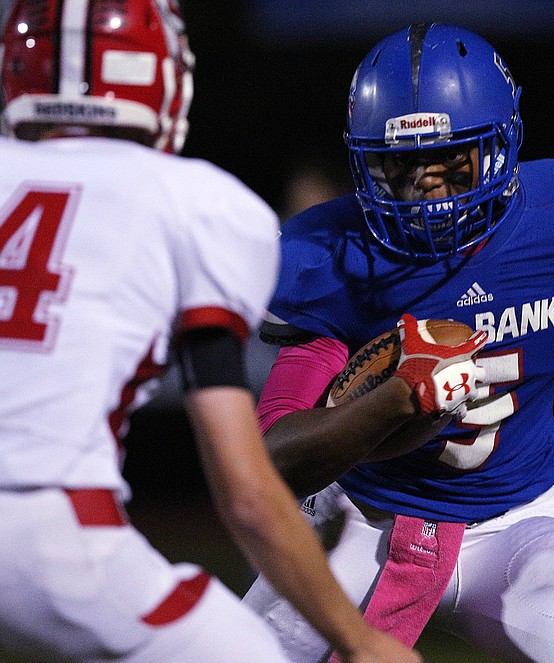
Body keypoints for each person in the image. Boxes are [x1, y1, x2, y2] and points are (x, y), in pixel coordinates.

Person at [241, 23, 554, 663]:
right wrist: (395, 402)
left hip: (521, 522)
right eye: (400, 165)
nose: (426, 189)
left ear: (501, 146)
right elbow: (271, 460)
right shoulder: (332, 258)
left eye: (449, 161)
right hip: (364, 520)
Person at [0, 2, 421, 662]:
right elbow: (246, 489)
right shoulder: (197, 204)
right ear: (158, 74)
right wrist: (359, 637)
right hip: (45, 529)